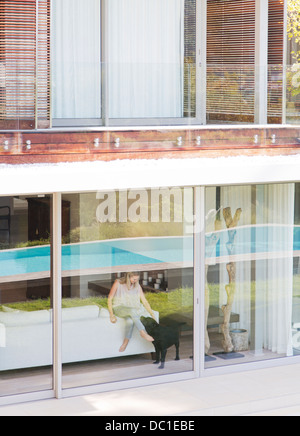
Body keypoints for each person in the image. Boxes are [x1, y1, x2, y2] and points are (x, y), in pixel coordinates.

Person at [108, 272, 156, 352]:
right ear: (128, 277)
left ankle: (125, 342)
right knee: (132, 310)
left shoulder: (137, 286)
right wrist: (111, 315)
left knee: (130, 321)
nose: (135, 281)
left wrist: (152, 314)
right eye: (134, 279)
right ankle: (142, 332)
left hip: (130, 309)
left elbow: (144, 301)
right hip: (119, 308)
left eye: (137, 279)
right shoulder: (118, 283)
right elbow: (110, 298)